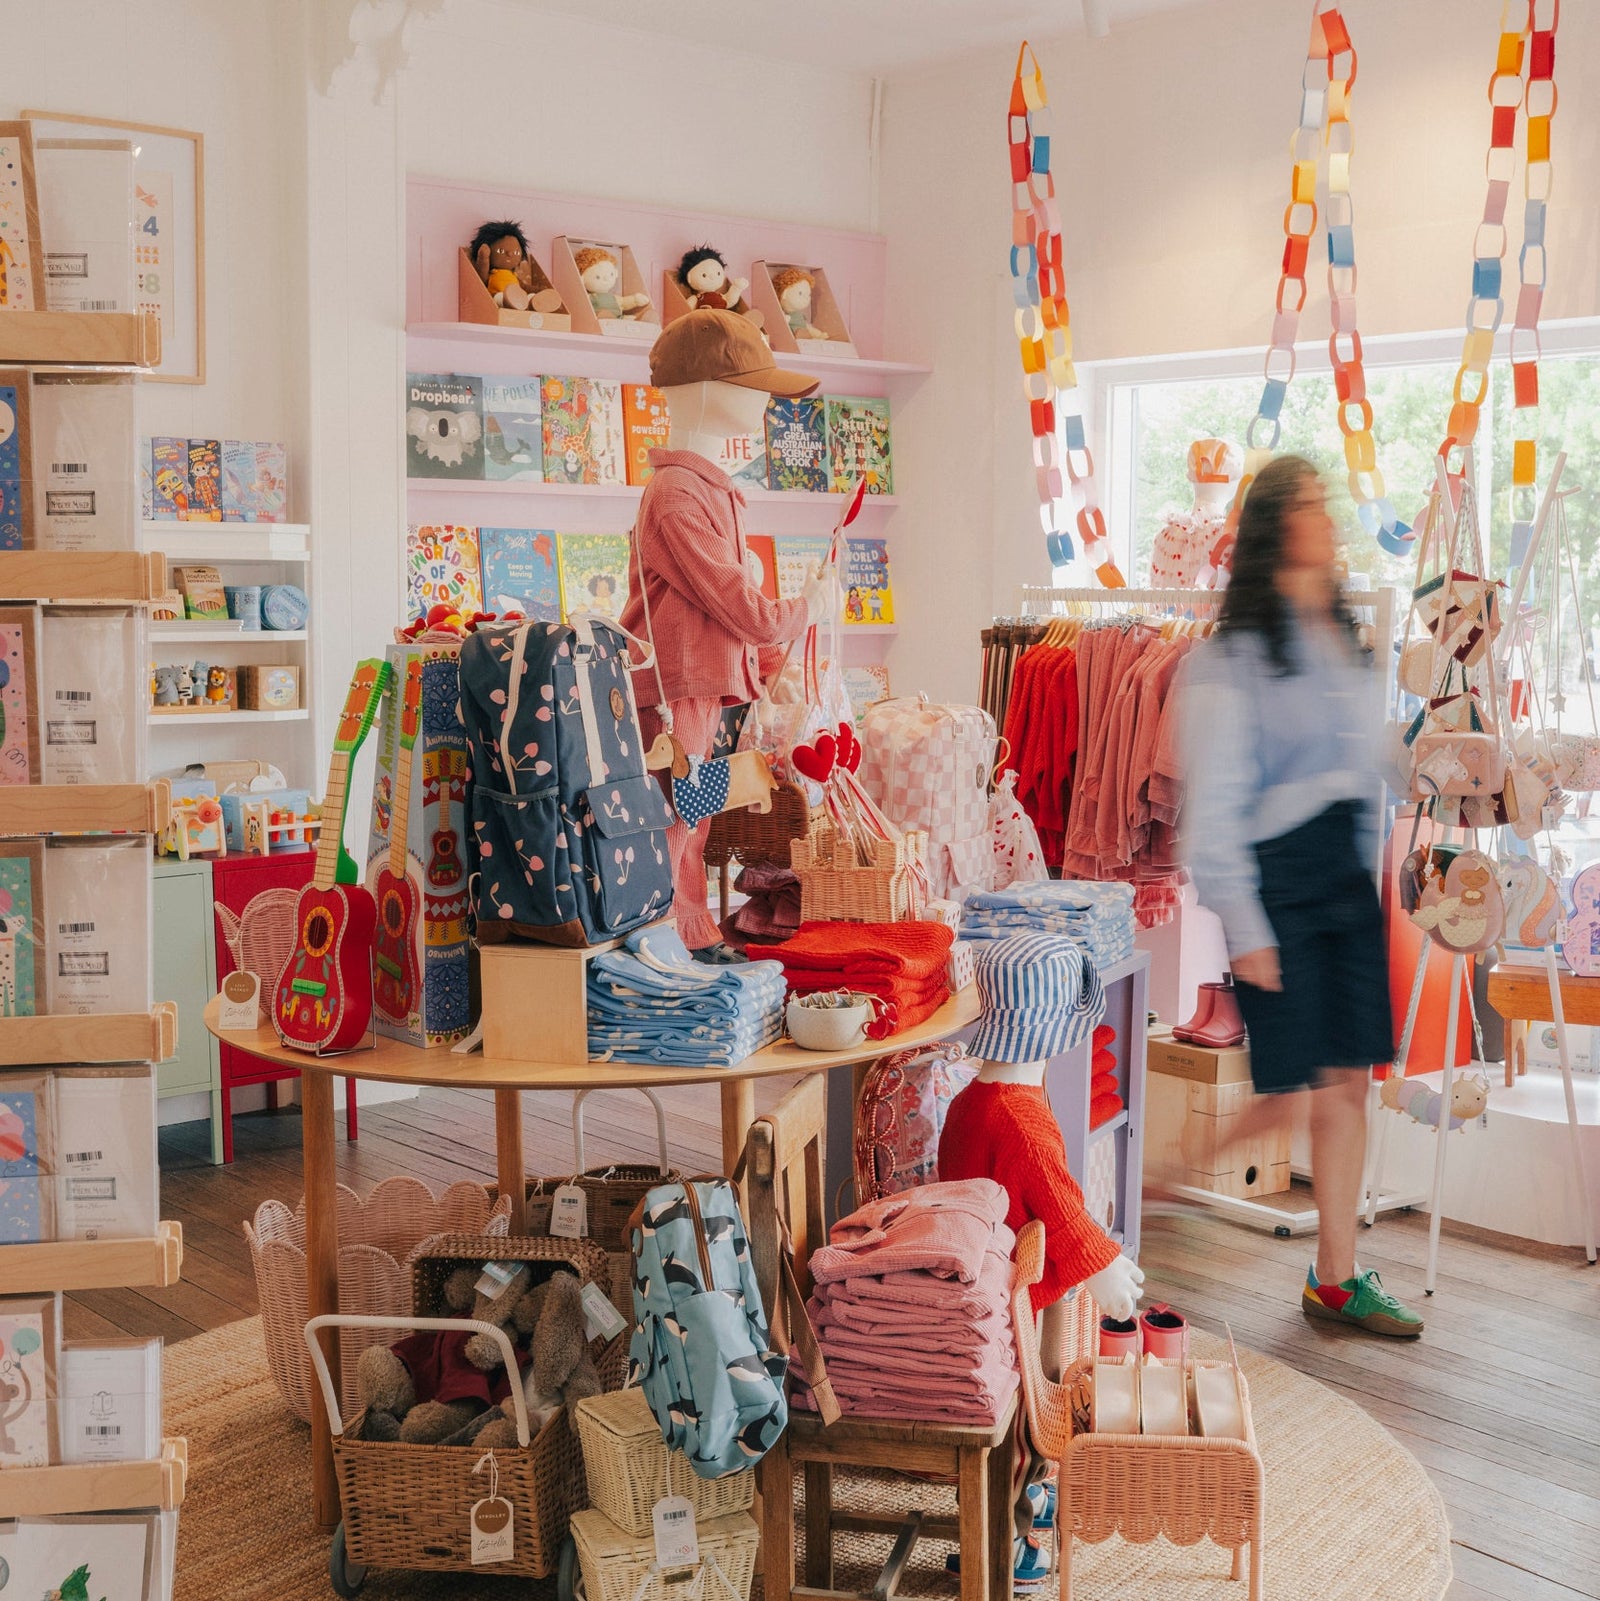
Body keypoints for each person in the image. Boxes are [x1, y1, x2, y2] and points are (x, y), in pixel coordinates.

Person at [1180, 454, 1423, 1338]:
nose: (1329, 519)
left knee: (1348, 1080)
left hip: (1345, 875)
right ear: (1279, 523)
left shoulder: (1344, 634)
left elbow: (1367, 759)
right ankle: (1159, 1187)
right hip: (1280, 873)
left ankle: (1335, 1276)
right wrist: (1245, 925)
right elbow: (1212, 807)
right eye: (1315, 505)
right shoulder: (1232, 657)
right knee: (1285, 1090)